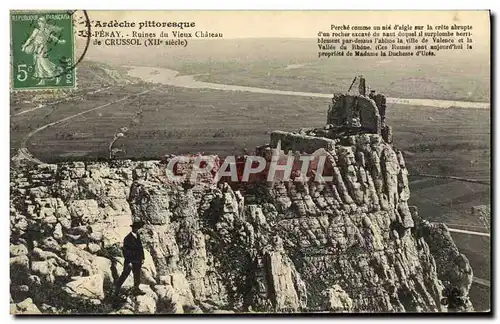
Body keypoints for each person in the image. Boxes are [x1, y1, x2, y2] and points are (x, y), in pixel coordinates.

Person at [21, 16, 66, 86]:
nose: (41, 23)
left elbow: (53, 38)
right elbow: (30, 38)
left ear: (45, 23)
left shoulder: (47, 31)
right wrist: (25, 46)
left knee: (45, 64)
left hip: (42, 49)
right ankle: (42, 81)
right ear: (38, 23)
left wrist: (60, 41)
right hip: (36, 49)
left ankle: (58, 74)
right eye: (40, 21)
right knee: (38, 65)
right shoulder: (36, 30)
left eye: (43, 22)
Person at [114, 221, 146, 296]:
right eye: (135, 228)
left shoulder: (137, 236)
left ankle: (136, 289)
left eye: (138, 228)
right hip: (130, 260)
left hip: (137, 260)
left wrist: (142, 258)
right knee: (125, 274)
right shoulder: (127, 238)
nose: (137, 229)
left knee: (137, 274)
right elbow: (125, 251)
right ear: (132, 228)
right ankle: (116, 288)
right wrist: (130, 261)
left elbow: (140, 248)